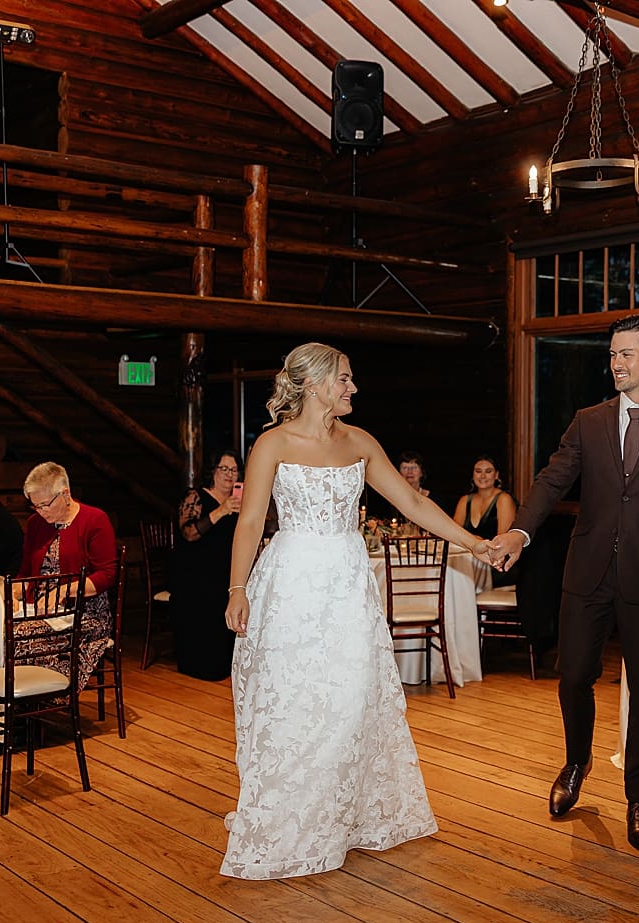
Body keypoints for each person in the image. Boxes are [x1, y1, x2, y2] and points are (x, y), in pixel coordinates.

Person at [221, 345, 491, 880]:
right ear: (315, 383)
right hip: (291, 583)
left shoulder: (361, 443)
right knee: (297, 702)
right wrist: (237, 587)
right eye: (345, 380)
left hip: (348, 584)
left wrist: (474, 544)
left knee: (351, 698)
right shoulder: (272, 444)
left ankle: (345, 817)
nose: (353, 389)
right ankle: (292, 822)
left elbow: (412, 504)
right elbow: (250, 521)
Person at [486, 313, 639, 854]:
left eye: (625, 354)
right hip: (587, 571)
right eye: (612, 354)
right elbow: (552, 480)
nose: (615, 363)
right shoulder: (589, 421)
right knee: (572, 676)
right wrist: (520, 529)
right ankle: (576, 762)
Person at [17, 461, 119, 691]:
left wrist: (63, 591)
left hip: (86, 613)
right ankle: (26, 712)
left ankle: (45, 700)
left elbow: (107, 575)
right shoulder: (36, 524)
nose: (40, 512)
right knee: (2, 632)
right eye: (35, 506)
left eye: (45, 505)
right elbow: (25, 572)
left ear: (65, 493)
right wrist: (15, 591)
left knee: (22, 637)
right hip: (41, 610)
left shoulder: (94, 520)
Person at [171, 450, 241, 681]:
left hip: (224, 570)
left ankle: (227, 665)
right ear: (213, 471)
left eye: (234, 469)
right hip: (195, 572)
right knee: (209, 596)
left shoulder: (239, 502)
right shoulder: (196, 496)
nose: (229, 474)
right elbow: (189, 533)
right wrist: (221, 511)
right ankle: (199, 666)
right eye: (224, 469)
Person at [453, 454, 517, 547]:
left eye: (488, 471)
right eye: (478, 471)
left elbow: (503, 541)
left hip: (495, 558)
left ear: (496, 475)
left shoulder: (504, 499)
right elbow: (454, 535)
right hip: (466, 556)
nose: (482, 476)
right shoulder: (464, 500)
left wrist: (472, 540)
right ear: (473, 474)